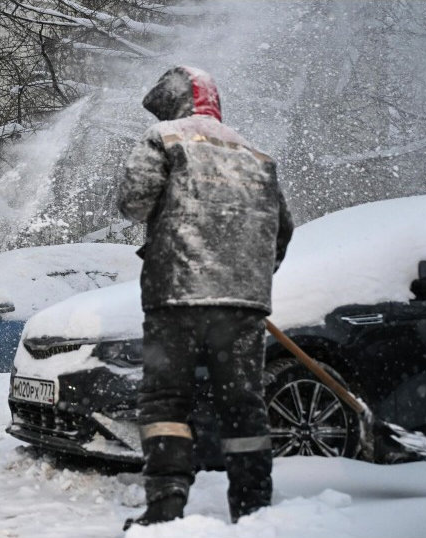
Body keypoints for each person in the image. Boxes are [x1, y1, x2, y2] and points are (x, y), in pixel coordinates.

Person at [118, 66, 294, 529]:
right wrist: (243, 277)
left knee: (166, 402)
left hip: (174, 296)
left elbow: (134, 201)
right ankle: (254, 508)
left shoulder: (164, 137)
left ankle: (167, 503)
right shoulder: (256, 154)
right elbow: (282, 231)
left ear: (171, 103)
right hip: (242, 304)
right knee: (243, 404)